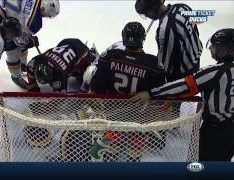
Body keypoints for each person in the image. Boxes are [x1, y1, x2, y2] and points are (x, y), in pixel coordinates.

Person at [132, 28, 234, 161]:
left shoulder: (215, 72)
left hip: (216, 131)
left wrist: (152, 93)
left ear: (226, 50)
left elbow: (183, 87)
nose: (211, 49)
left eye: (216, 46)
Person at [86, 22, 166, 162]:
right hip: (139, 119)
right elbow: (161, 95)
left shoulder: (110, 56)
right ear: (143, 38)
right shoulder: (153, 63)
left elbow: (95, 89)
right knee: (135, 152)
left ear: (124, 38)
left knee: (110, 148)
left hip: (113, 116)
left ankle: (111, 160)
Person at [0, 0, 60, 87]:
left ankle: (22, 64)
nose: (47, 17)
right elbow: (19, 41)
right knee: (12, 49)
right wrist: (29, 42)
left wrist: (27, 39)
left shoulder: (33, 15)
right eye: (48, 15)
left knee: (23, 39)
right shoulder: (32, 21)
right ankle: (16, 76)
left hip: (1, 4)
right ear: (44, 9)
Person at [135, 0, 203, 82]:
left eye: (146, 13)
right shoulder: (182, 7)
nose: (146, 16)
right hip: (195, 59)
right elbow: (195, 31)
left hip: (182, 75)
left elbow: (164, 65)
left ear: (153, 8)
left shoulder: (165, 30)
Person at [19, 38, 97, 93]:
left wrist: (42, 107)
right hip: (65, 43)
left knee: (81, 78)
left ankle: (91, 54)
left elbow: (59, 100)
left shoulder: (59, 75)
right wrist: (33, 86)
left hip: (81, 50)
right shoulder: (33, 62)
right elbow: (30, 73)